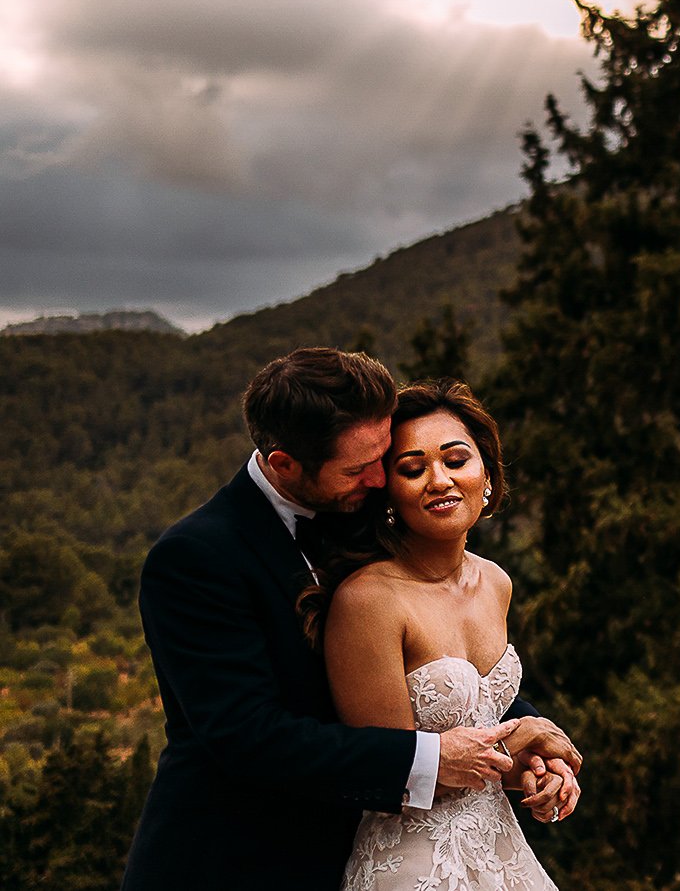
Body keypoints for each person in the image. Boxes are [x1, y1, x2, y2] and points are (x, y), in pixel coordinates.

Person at [123, 348, 580, 891]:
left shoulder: (363, 508)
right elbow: (249, 738)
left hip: (382, 847)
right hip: (239, 860)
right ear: (284, 465)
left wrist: (522, 731)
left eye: (384, 460)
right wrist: (432, 758)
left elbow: (434, 668)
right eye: (361, 469)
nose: (379, 481)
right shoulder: (196, 559)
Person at [313, 377, 579, 890]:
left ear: (487, 475)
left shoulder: (495, 582)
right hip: (415, 861)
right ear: (389, 492)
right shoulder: (368, 601)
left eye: (456, 461)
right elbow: (387, 776)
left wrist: (537, 768)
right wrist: (516, 741)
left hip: (499, 849)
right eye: (413, 470)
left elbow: (480, 732)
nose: (439, 480)